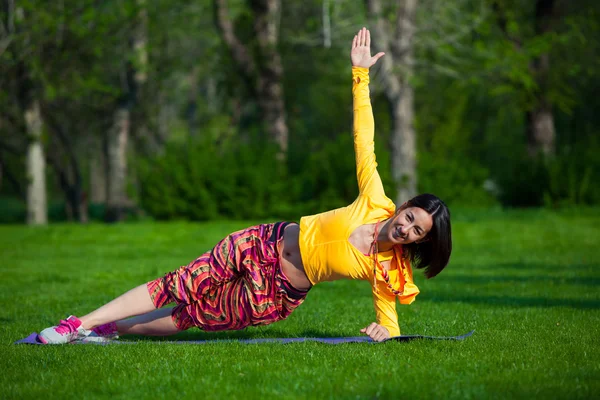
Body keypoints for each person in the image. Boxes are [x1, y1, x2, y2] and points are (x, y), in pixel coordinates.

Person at [39, 28, 451, 344]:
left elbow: (389, 322)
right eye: (411, 218)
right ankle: (80, 323)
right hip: (262, 243)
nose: (407, 230)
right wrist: (360, 75)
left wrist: (385, 332)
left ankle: (113, 330)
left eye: (417, 233)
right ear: (405, 206)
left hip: (274, 293)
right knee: (181, 283)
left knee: (190, 316)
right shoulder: (374, 199)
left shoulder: (388, 269)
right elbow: (365, 139)